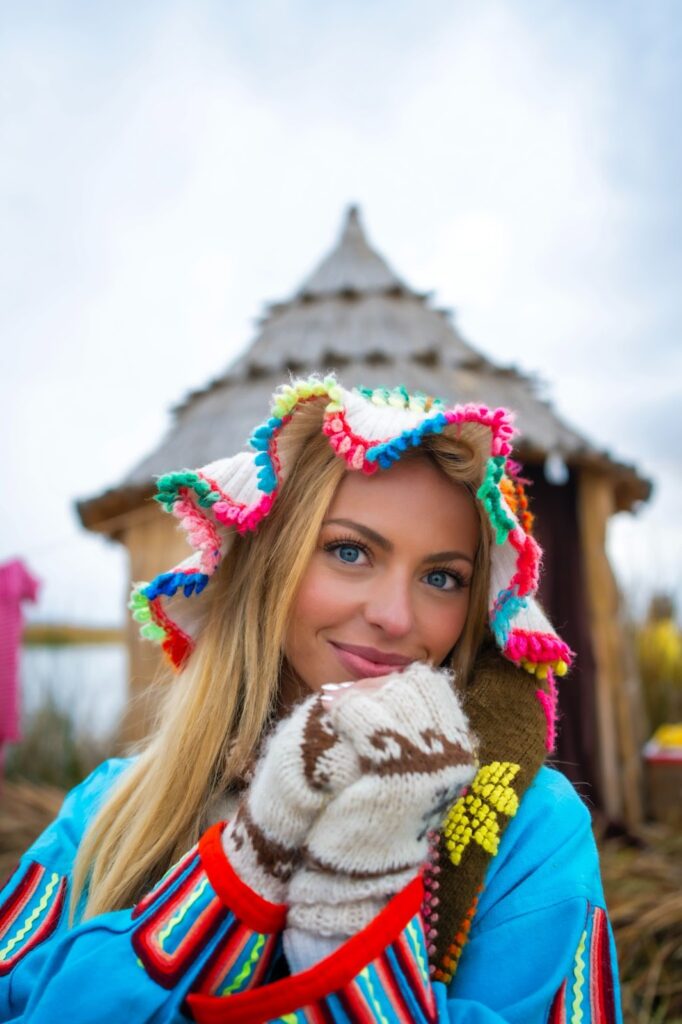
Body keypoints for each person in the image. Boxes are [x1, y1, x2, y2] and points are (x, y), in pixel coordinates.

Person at [0, 376, 622, 1023]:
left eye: (442, 577)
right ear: (270, 565)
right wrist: (244, 867)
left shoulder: (533, 829)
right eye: (350, 551)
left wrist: (353, 918)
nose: (394, 616)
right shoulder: (111, 808)